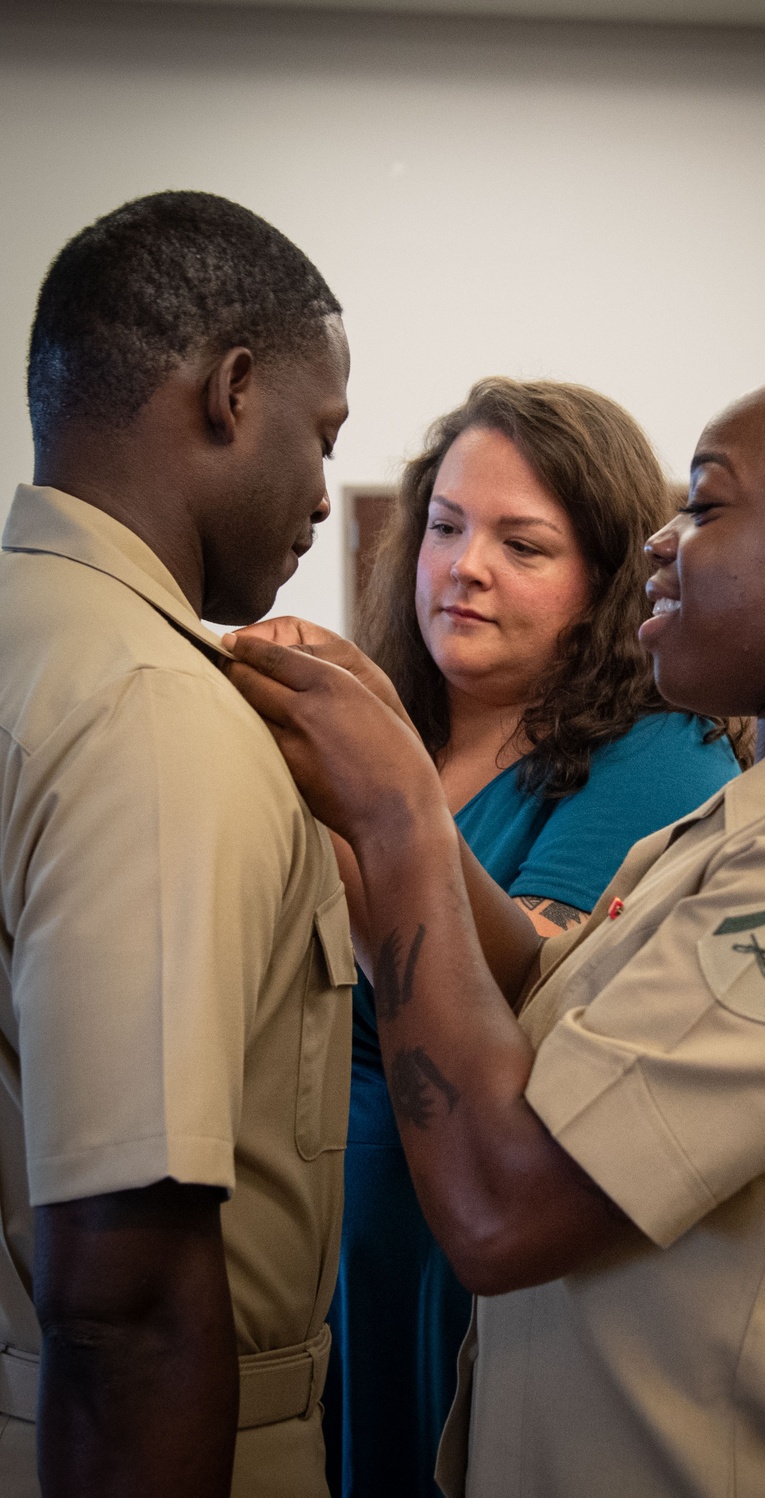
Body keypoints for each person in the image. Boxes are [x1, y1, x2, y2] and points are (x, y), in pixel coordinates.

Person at [229, 350, 765, 1496]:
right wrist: (382, 783)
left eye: (708, 501)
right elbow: (544, 997)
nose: (659, 541)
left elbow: (501, 1209)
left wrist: (397, 825)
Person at [285, 377, 743, 1495]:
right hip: (325, 1257)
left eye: (522, 544)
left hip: (473, 1258)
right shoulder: (393, 724)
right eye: (443, 526)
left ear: (604, 580)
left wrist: (370, 825)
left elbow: (528, 1018)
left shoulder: (655, 754)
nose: (464, 566)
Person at [0, 192, 353, 1498]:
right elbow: (127, 1300)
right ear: (232, 393)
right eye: (321, 437)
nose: (325, 493)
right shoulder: (147, 704)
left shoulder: (29, 639)